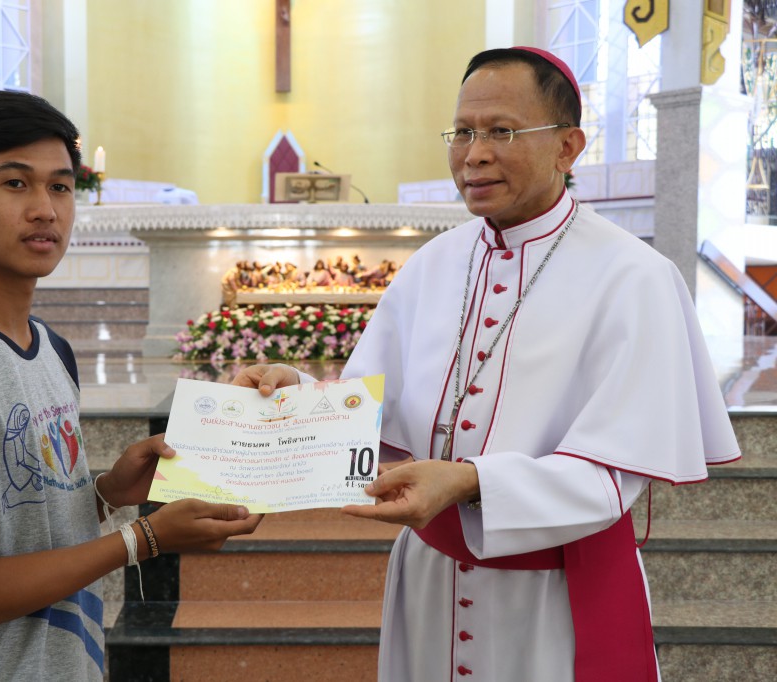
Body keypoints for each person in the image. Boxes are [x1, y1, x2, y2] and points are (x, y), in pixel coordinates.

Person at [235, 47, 740, 681]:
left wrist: (470, 481)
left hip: (551, 602)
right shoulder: (433, 263)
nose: (473, 154)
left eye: (501, 131)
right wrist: (297, 394)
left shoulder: (634, 277)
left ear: (567, 147)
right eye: (462, 132)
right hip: (428, 585)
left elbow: (612, 477)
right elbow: (372, 408)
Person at [0, 91, 261, 681]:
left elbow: (20, 515)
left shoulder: (50, 348)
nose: (45, 210)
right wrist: (143, 539)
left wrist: (107, 492)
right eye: (15, 184)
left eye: (60, 186)